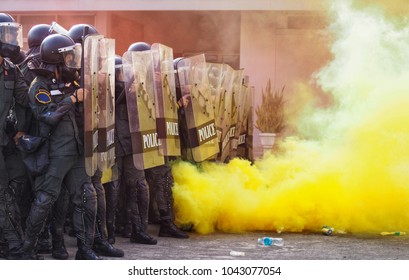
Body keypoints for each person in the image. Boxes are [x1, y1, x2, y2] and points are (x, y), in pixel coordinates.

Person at [20, 33, 101, 260]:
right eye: (68, 58)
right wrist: (72, 99)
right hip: (55, 152)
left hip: (74, 149)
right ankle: (27, 250)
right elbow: (47, 116)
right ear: (57, 60)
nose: (71, 62)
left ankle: (85, 249)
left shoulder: (67, 83)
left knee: (86, 196)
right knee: (45, 199)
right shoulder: (39, 86)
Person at [67, 23, 124, 258]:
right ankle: (84, 246)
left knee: (97, 190)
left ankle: (99, 239)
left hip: (95, 140)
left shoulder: (96, 71)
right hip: (76, 144)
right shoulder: (70, 71)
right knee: (85, 194)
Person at [115, 50, 157, 245]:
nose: (124, 76)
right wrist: (128, 89)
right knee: (113, 189)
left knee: (139, 185)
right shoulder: (110, 88)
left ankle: (138, 229)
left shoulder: (140, 87)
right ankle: (111, 230)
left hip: (133, 143)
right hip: (114, 145)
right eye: (121, 74)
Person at [0, 12, 29, 260]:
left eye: (12, 34)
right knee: (2, 190)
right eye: (5, 34)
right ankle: (13, 245)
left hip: (5, 140)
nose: (10, 40)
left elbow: (26, 99)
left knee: (18, 179)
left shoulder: (12, 70)